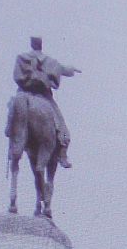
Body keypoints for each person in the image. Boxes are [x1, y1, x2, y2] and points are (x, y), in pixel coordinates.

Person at [6, 36, 79, 169]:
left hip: (23, 93)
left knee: (13, 108)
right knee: (61, 126)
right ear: (40, 45)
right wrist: (72, 70)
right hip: (43, 95)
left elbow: (16, 76)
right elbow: (63, 69)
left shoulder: (21, 58)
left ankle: (11, 135)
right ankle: (62, 154)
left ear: (31, 44)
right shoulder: (49, 61)